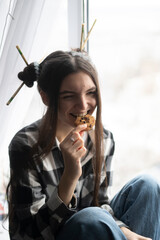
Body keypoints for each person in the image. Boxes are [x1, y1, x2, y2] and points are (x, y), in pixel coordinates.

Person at [7, 49, 160, 240]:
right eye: (69, 96)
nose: (83, 105)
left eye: (90, 93)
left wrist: (127, 233)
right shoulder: (25, 145)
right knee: (91, 217)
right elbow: (32, 234)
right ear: (46, 97)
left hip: (95, 229)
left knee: (147, 186)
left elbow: (101, 205)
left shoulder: (103, 138)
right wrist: (70, 176)